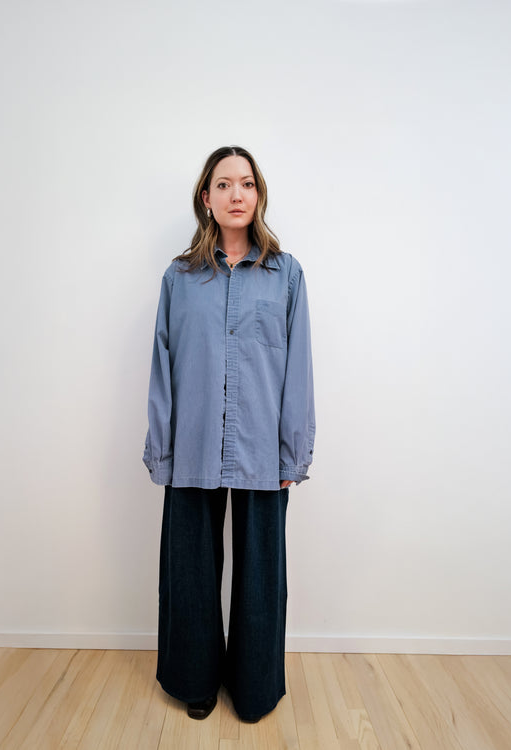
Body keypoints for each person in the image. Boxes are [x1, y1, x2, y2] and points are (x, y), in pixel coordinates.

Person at [143, 145, 315, 723]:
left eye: (246, 183)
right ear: (206, 197)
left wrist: (293, 451)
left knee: (261, 576)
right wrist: (163, 449)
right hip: (192, 444)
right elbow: (163, 364)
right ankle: (194, 680)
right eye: (224, 184)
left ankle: (253, 687)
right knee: (189, 571)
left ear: (258, 194)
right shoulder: (180, 277)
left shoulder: (286, 274)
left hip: (263, 450)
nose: (236, 194)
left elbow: (298, 368)